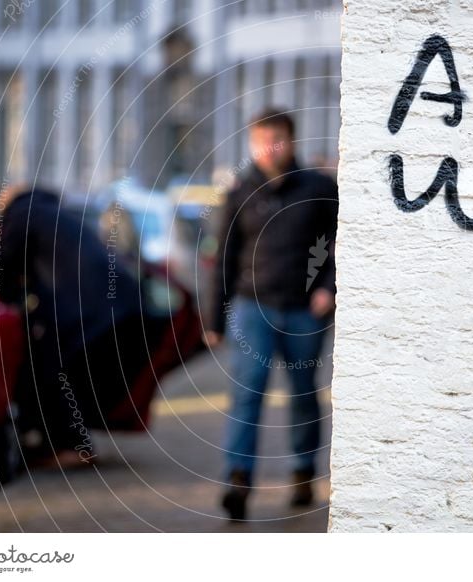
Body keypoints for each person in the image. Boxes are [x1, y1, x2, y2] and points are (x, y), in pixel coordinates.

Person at [204, 109, 339, 521]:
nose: (268, 148)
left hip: (305, 312)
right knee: (247, 394)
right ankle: (238, 481)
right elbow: (222, 257)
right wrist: (212, 320)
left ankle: (303, 473)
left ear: (291, 141)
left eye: (276, 139)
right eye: (260, 140)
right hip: (252, 308)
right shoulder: (239, 192)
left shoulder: (319, 188)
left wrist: (329, 288)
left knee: (303, 394)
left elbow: (341, 244)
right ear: (251, 143)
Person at [0, 186, 164, 469]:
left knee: (51, 371)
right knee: (68, 372)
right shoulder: (57, 212)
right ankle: (70, 444)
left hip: (89, 309)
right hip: (121, 304)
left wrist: (7, 296)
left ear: (6, 202)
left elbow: (2, 268)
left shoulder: (21, 214)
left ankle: (73, 447)